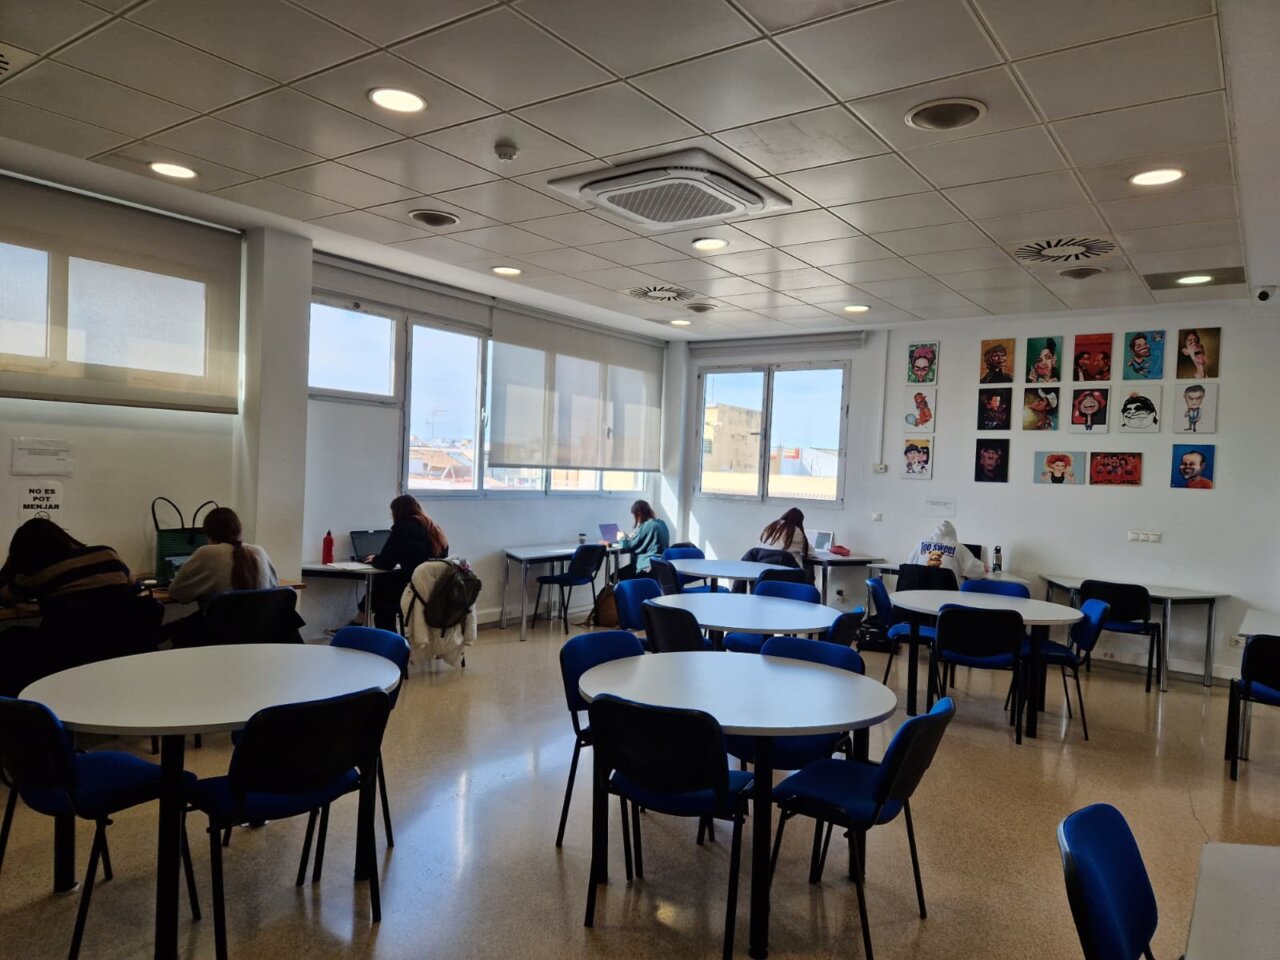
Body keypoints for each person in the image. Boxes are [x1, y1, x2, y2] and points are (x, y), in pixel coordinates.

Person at [0, 518, 136, 696]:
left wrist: (11, 563)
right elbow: (133, 585)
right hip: (118, 643)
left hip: (67, 647)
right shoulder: (107, 554)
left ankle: (14, 705)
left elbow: (5, 595)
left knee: (11, 637)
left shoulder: (39, 571)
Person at [362, 495, 449, 631]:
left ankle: (381, 635)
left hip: (413, 587)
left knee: (381, 593)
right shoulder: (434, 528)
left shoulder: (402, 528)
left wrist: (374, 559)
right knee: (382, 585)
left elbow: (386, 563)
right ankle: (360, 619)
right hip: (434, 588)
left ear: (397, 512)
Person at [168, 507, 278, 606]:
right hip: (261, 626)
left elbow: (176, 592)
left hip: (219, 626)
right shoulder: (259, 551)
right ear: (238, 529)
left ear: (208, 533)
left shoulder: (206, 552)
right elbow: (274, 587)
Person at [610, 499, 669, 580]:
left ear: (639, 513)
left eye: (634, 516)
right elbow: (648, 541)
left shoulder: (648, 525)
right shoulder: (661, 523)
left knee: (614, 577)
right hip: (660, 567)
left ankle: (629, 591)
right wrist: (632, 537)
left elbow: (627, 546)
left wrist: (622, 537)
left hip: (646, 569)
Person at [906, 521, 985, 579]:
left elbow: (909, 565)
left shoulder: (921, 544)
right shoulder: (958, 548)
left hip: (919, 595)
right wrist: (984, 567)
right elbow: (978, 572)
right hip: (949, 596)